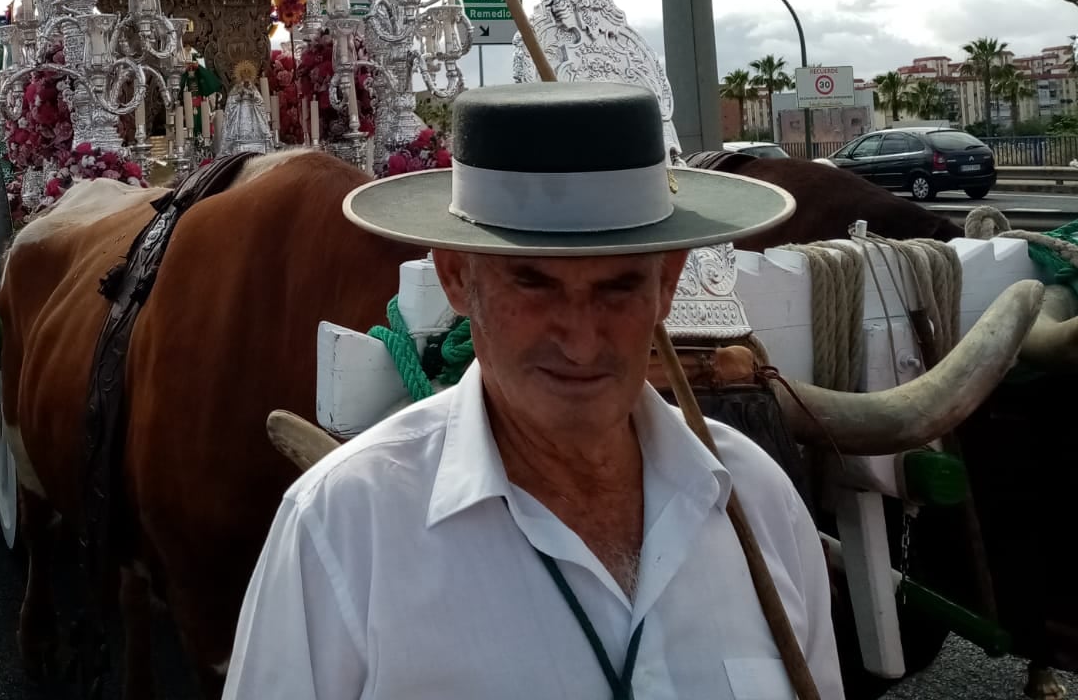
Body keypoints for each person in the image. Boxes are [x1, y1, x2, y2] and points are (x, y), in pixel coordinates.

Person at [224, 82, 843, 699]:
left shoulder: (757, 502)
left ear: (668, 282)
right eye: (534, 283)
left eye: (619, 287)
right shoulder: (341, 530)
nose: (580, 341)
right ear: (456, 278)